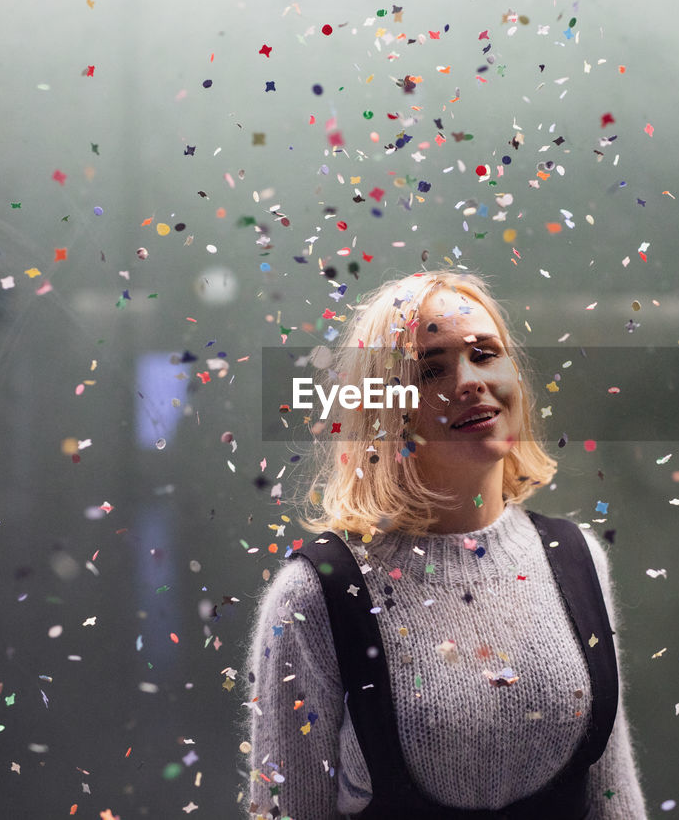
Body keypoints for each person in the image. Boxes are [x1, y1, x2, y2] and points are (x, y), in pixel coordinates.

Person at [242, 270, 648, 819]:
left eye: (485, 353)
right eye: (431, 368)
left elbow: (611, 792)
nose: (469, 381)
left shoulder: (577, 558)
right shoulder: (316, 594)